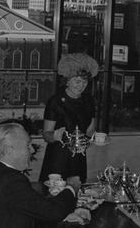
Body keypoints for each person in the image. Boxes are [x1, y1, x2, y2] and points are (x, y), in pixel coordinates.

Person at [38, 53, 101, 185]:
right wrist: (54, 135)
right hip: (58, 157)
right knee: (54, 193)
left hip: (79, 156)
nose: (81, 86)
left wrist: (96, 138)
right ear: (67, 80)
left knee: (77, 192)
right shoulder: (55, 102)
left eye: (84, 82)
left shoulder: (88, 100)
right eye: (77, 82)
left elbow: (90, 130)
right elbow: (46, 135)